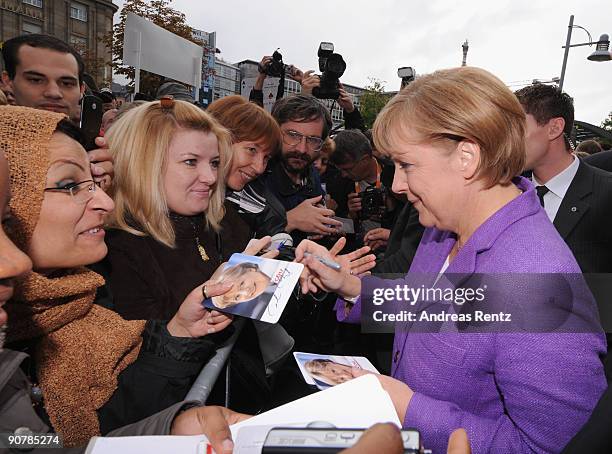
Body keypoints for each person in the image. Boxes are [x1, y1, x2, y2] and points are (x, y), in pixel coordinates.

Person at [296, 67, 606, 453]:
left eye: (407, 165)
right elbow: (425, 305)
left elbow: (542, 446)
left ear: (466, 157)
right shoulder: (443, 225)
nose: (396, 185)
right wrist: (350, 286)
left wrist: (406, 406)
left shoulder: (536, 281)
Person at [0, 105, 243, 447]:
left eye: (93, 182)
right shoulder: (114, 260)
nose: (104, 201)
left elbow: (107, 421)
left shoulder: (84, 301)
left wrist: (178, 335)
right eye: (70, 184)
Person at [102, 98, 273, 413]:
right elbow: (135, 377)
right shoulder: (114, 250)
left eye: (215, 163)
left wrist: (292, 279)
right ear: (143, 163)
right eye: (191, 162)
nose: (210, 177)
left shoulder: (229, 225)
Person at [1, 34, 113, 191]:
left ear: (81, 90)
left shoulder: (92, 151)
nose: (54, 92)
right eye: (36, 80)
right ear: (8, 81)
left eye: (66, 83)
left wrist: (98, 192)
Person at [207, 95, 287, 237]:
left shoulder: (261, 207)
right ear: (219, 140)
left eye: (266, 157)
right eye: (252, 150)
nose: (259, 168)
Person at [266, 94, 343, 242]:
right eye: (293, 135)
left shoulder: (310, 172)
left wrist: (319, 227)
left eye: (313, 140)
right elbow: (239, 249)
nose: (302, 149)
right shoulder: (256, 175)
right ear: (275, 131)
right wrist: (290, 221)